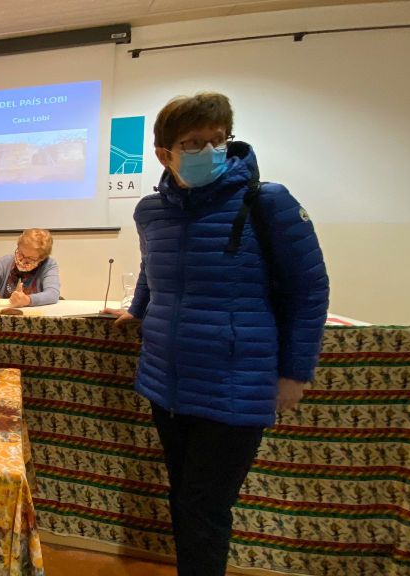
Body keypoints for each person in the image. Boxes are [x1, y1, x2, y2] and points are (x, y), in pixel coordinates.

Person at [107, 93, 329, 575]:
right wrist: (137, 309)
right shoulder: (151, 211)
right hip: (165, 381)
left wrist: (295, 373)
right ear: (164, 153)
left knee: (204, 506)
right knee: (184, 496)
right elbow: (152, 266)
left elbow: (310, 289)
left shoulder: (268, 202)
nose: (209, 151)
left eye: (218, 139)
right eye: (193, 142)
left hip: (234, 384)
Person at [0, 228, 61, 307]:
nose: (23, 260)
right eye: (21, 254)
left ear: (42, 258)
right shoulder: (5, 262)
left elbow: (52, 294)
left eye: (30, 258)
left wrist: (27, 300)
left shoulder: (48, 265)